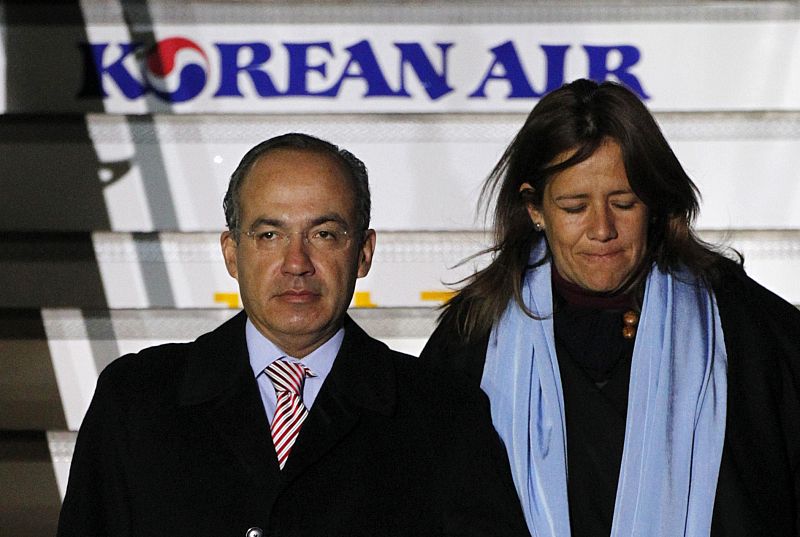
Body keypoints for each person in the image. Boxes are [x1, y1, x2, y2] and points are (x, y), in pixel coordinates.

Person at [57, 133, 530, 537]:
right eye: (269, 235)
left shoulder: (443, 414)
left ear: (363, 253)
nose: (297, 263)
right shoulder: (136, 399)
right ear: (231, 252)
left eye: (324, 234)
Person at [421, 79, 800, 537]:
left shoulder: (747, 329)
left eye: (624, 203)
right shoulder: (472, 337)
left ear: (657, 204)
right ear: (534, 208)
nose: (602, 229)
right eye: (574, 206)